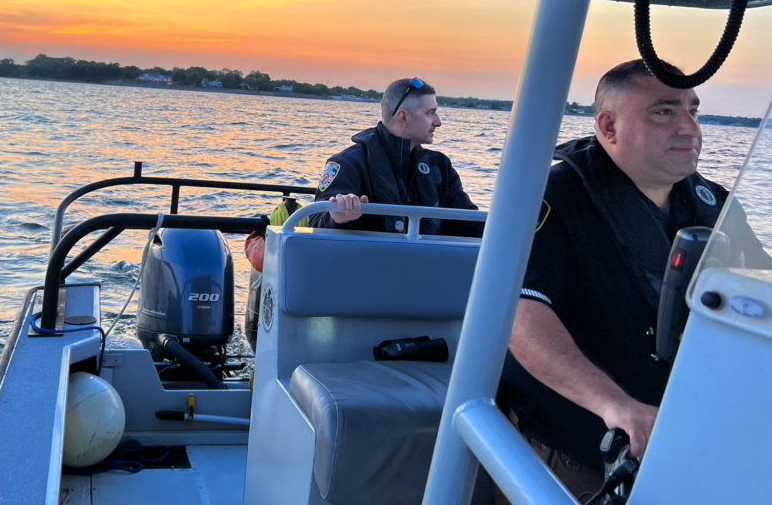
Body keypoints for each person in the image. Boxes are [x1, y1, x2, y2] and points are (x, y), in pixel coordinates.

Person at [499, 60, 734, 502]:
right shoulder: (550, 198)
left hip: (690, 442)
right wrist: (615, 406)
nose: (690, 128)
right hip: (580, 448)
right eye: (664, 112)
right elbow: (519, 312)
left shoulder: (713, 204)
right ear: (609, 126)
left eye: (694, 110)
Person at [311, 77, 481, 237]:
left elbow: (469, 224)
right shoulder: (348, 164)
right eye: (430, 113)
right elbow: (315, 227)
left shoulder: (440, 166)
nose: (438, 121)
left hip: (430, 265)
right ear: (403, 117)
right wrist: (338, 218)